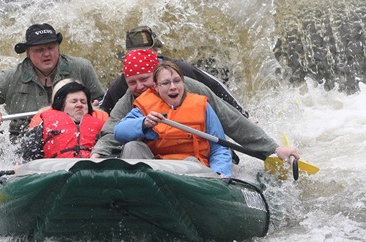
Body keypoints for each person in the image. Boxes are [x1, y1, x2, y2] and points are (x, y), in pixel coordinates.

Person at [91, 49, 300, 165]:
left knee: (219, 155)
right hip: (158, 161)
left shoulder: (189, 88)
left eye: (144, 80)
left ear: (156, 75)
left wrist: (273, 148)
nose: (139, 87)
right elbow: (113, 130)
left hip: (194, 160)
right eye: (132, 82)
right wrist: (98, 155)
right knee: (130, 147)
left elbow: (231, 121)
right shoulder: (131, 98)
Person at [0, 23, 105, 136]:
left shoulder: (82, 68)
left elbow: (103, 102)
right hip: (24, 139)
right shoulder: (12, 77)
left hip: (75, 136)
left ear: (58, 48)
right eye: (39, 50)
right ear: (28, 53)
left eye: (51, 48)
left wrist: (94, 107)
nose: (46, 54)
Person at [98, 26, 249, 117]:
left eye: (147, 52)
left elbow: (215, 87)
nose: (138, 85)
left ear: (156, 51)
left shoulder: (180, 70)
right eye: (135, 53)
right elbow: (104, 110)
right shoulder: (124, 81)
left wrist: (242, 115)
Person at [114, 60, 232, 177]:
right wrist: (143, 123)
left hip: (192, 168)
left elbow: (219, 148)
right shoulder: (144, 107)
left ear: (183, 82)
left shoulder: (202, 106)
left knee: (191, 163)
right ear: (156, 87)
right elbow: (119, 132)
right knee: (132, 147)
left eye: (177, 81)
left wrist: (220, 172)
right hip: (156, 169)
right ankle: (136, 190)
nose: (173, 87)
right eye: (165, 83)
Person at [19, 80, 106, 162]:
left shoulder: (103, 128)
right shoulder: (43, 127)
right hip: (56, 171)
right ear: (62, 106)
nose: (79, 105)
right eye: (74, 101)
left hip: (90, 171)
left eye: (83, 102)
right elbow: (25, 157)